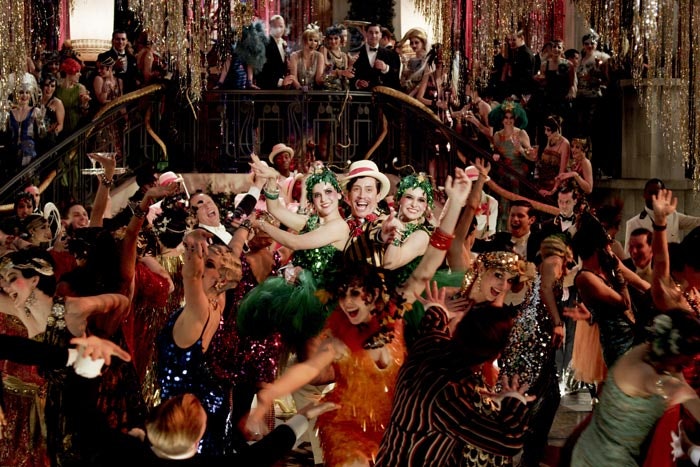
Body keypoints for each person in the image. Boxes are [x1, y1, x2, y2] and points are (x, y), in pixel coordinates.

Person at [243, 167, 475, 466]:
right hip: (348, 431)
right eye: (344, 295)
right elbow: (308, 371)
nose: (349, 303)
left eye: (356, 295)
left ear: (375, 294)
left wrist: (455, 204)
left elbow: (429, 262)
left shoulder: (395, 309)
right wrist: (269, 396)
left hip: (396, 428)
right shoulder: (341, 334)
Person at [375, 285, 532, 466]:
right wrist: (513, 400)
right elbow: (508, 441)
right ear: (494, 356)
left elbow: (432, 327)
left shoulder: (429, 347)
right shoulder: (450, 395)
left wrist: (437, 308)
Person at [571, 311, 700, 466]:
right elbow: (685, 395)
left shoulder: (642, 351)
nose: (688, 365)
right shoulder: (652, 380)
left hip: (588, 448)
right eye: (685, 362)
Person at [499, 235, 568, 466]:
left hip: (534, 332)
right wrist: (558, 323)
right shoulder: (552, 262)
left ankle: (528, 450)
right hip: (536, 333)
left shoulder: (546, 265)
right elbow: (546, 290)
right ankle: (528, 452)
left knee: (543, 390)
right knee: (544, 392)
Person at [382, 173, 434, 286]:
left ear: (426, 206)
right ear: (399, 198)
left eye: (421, 200)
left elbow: (389, 264)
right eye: (409, 197)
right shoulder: (386, 220)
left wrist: (397, 232)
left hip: (398, 294)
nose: (414, 204)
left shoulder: (421, 236)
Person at [624, 178, 700, 250]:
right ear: (644, 194)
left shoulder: (673, 215)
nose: (653, 197)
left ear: (664, 195)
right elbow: (628, 254)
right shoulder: (633, 223)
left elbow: (696, 222)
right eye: (651, 193)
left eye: (657, 193)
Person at [489, 101, 536, 192]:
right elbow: (495, 153)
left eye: (511, 118)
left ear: (515, 119)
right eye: (506, 117)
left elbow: (532, 157)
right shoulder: (497, 135)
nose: (508, 120)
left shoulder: (521, 133)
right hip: (503, 171)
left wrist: (520, 149)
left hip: (519, 173)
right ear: (502, 119)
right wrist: (495, 155)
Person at [350, 24, 401, 90]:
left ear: (380, 35)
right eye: (370, 32)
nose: (373, 35)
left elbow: (396, 77)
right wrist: (357, 82)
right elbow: (349, 75)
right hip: (362, 94)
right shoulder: (354, 53)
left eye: (376, 33)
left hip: (382, 94)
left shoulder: (391, 54)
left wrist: (385, 68)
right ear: (366, 34)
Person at [54, 58, 91, 135]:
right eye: (77, 72)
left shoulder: (80, 88)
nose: (80, 74)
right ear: (69, 72)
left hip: (76, 128)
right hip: (60, 128)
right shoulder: (57, 88)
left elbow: (85, 114)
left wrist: (84, 104)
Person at [536, 115, 570, 195]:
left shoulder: (565, 144)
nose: (545, 132)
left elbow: (562, 171)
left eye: (548, 130)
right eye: (545, 129)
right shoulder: (548, 139)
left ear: (557, 130)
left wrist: (553, 191)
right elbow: (540, 162)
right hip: (542, 183)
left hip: (555, 186)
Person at [256, 15, 288, 90]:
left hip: (282, 90)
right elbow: (261, 70)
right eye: (275, 26)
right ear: (270, 27)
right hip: (268, 89)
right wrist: (280, 82)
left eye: (281, 26)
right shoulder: (264, 43)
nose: (279, 29)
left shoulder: (283, 42)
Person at [502, 29, 536, 98]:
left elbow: (526, 78)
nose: (510, 42)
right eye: (509, 40)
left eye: (513, 40)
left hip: (521, 94)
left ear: (522, 38)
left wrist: (516, 94)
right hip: (515, 92)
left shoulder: (526, 54)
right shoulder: (516, 52)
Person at [319, 26, 354, 91]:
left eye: (336, 38)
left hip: (341, 91)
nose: (333, 41)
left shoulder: (344, 55)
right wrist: (340, 72)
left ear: (341, 39)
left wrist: (347, 92)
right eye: (330, 38)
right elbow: (323, 75)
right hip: (327, 90)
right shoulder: (324, 50)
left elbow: (345, 78)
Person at [397, 27, 429, 96]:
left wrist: (411, 95)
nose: (413, 45)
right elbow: (403, 81)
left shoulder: (428, 59)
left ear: (423, 43)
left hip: (422, 94)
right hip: (409, 93)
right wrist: (404, 68)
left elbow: (423, 81)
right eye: (411, 43)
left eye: (416, 42)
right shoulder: (411, 60)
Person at [38, 74, 65, 146]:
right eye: (47, 85)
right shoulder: (36, 101)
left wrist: (53, 134)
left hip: (50, 139)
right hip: (36, 136)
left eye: (52, 86)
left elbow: (60, 124)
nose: (49, 89)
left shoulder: (57, 103)